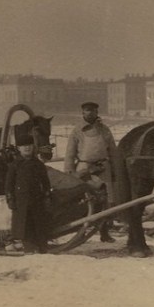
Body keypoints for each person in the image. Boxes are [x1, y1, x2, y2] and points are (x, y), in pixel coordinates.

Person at [63, 101, 119, 242]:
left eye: (93, 110)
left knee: (105, 200)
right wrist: (69, 172)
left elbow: (112, 151)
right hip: (84, 168)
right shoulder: (77, 131)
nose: (90, 113)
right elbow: (70, 153)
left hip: (103, 168)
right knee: (84, 199)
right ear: (83, 113)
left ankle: (104, 233)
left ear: (97, 112)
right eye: (87, 110)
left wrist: (115, 169)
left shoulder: (105, 130)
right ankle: (81, 231)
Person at [5, 134, 52, 253]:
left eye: (29, 146)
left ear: (33, 147)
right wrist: (10, 199)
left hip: (37, 200)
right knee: (24, 225)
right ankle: (28, 248)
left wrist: (46, 195)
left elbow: (45, 182)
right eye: (24, 146)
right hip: (21, 202)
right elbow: (9, 185)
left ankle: (41, 247)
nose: (27, 148)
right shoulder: (14, 165)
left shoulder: (38, 165)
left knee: (38, 224)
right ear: (19, 148)